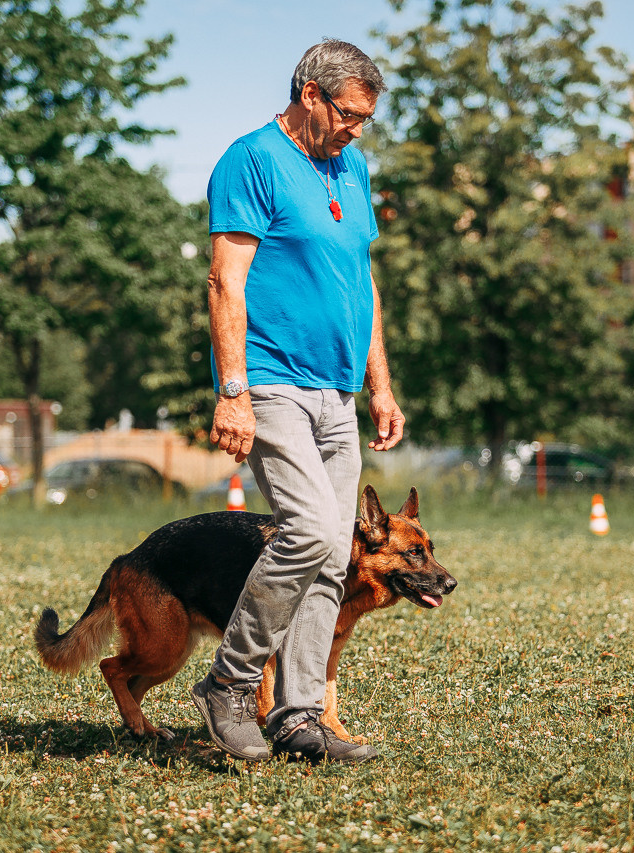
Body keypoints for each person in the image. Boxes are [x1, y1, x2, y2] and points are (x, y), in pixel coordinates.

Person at [191, 39, 405, 764]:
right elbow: (225, 281)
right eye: (349, 115)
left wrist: (379, 383)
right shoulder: (252, 160)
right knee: (310, 531)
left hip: (337, 390)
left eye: (366, 119)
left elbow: (360, 280)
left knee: (333, 559)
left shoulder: (351, 167)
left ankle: (299, 716)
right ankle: (229, 682)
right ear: (310, 94)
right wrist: (233, 393)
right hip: (271, 381)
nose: (356, 130)